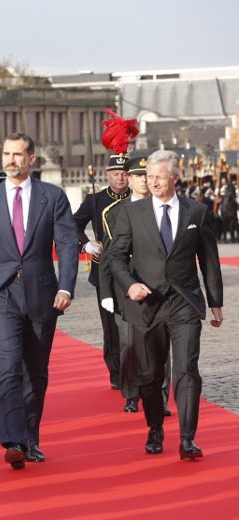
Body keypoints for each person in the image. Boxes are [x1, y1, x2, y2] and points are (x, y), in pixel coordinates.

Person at [0, 132, 78, 469]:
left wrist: (66, 287)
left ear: (31, 159)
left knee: (36, 371)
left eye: (17, 154)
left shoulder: (52, 197)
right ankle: (12, 440)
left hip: (42, 294)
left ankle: (30, 439)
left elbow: (67, 245)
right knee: (9, 365)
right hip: (1, 294)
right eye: (6, 154)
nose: (11, 160)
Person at [107, 149, 223, 460]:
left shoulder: (196, 212)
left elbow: (209, 259)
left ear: (174, 177)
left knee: (187, 370)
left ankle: (187, 439)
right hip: (147, 303)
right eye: (149, 177)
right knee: (150, 373)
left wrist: (215, 301)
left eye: (160, 177)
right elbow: (115, 257)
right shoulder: (131, 213)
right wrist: (130, 285)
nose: (153, 182)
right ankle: (155, 428)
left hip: (184, 302)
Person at [98, 156, 164, 414]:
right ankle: (131, 393)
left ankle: (159, 397)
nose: (144, 181)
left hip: (158, 286)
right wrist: (106, 291)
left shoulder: (163, 206)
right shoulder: (115, 212)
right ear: (130, 179)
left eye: (146, 176)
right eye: (137, 176)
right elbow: (110, 255)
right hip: (125, 286)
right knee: (129, 344)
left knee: (160, 344)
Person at [73, 145, 131, 391]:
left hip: (134, 268)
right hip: (104, 270)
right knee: (111, 325)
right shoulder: (94, 200)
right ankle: (116, 371)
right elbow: (72, 225)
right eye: (116, 173)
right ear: (107, 174)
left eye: (124, 173)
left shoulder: (139, 198)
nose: (120, 178)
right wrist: (86, 244)